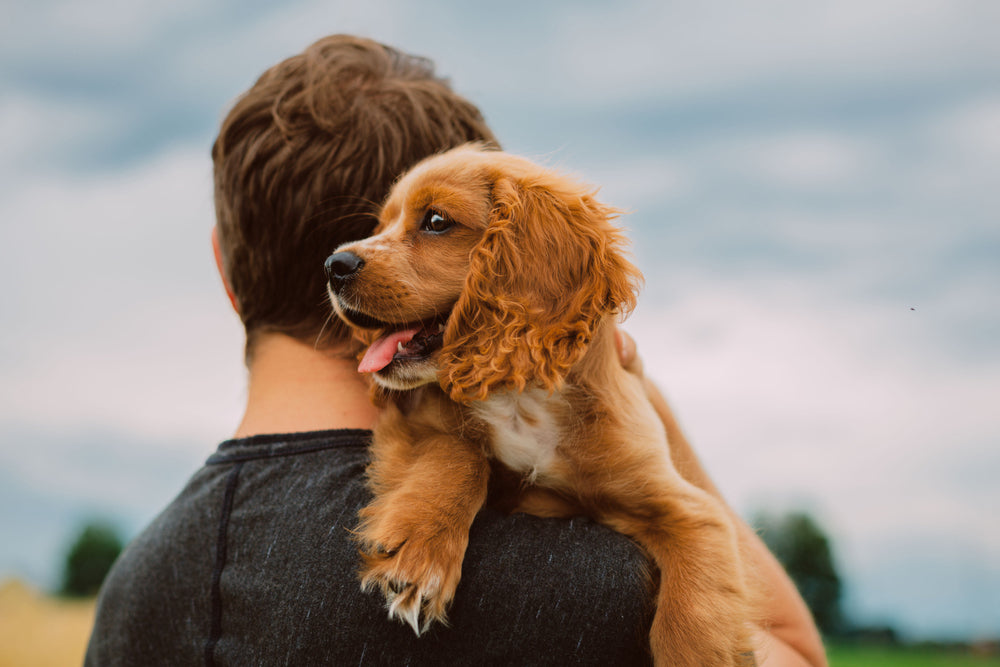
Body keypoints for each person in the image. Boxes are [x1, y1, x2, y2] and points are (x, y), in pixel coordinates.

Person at [85, 35, 826, 666]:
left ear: (225, 270)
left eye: (433, 224)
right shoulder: (607, 587)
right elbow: (789, 647)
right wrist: (647, 399)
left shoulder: (134, 591)